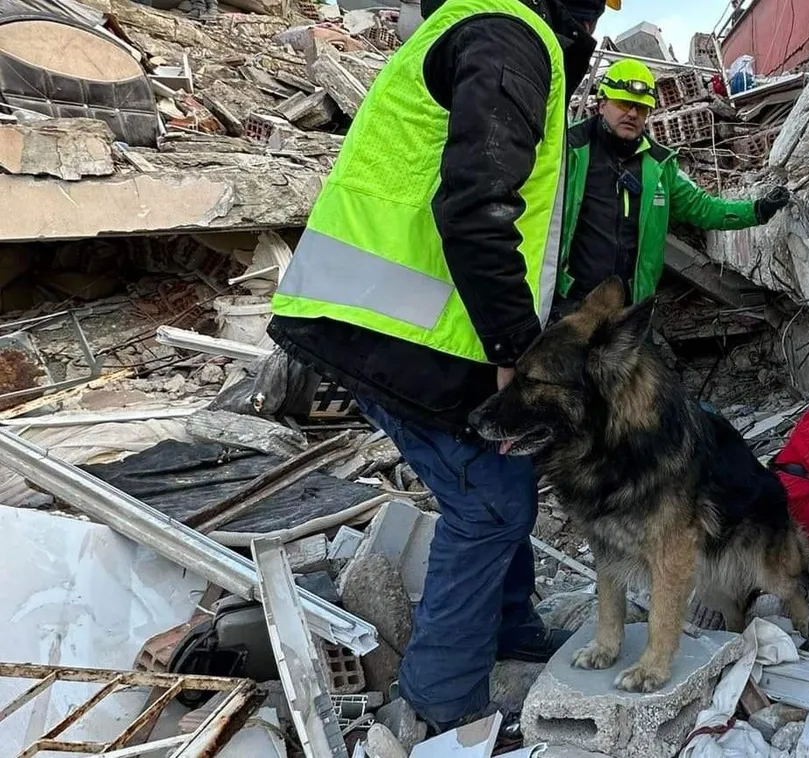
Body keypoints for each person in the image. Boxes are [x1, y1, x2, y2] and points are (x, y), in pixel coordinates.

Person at [265, 0, 617, 738]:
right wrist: (515, 351)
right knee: (487, 506)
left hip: (402, 318)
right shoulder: (507, 35)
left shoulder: (488, 27)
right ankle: (443, 702)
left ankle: (510, 630)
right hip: (399, 330)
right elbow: (476, 207)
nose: (590, 29)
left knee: (506, 477)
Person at [554, 58, 791, 313]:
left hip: (629, 310)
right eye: (623, 104)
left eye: (641, 108)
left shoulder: (659, 165)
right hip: (571, 303)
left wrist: (757, 210)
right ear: (602, 104)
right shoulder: (568, 150)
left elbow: (702, 208)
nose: (632, 114)